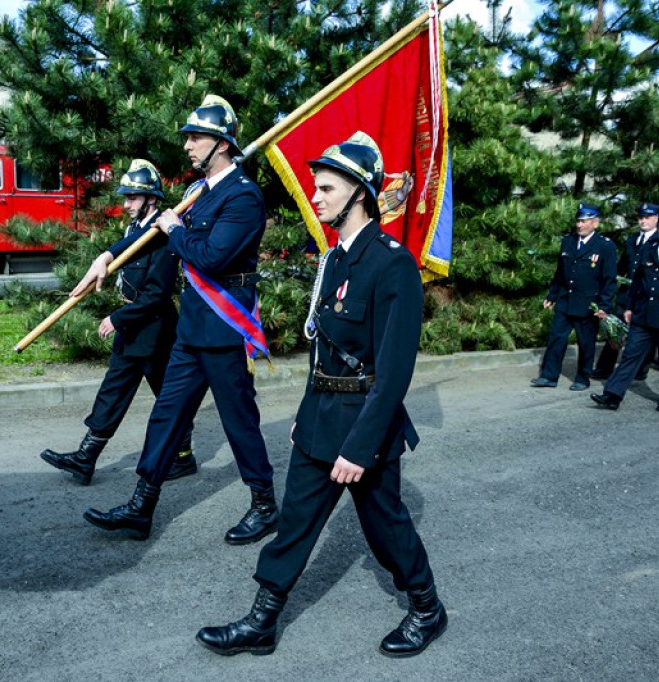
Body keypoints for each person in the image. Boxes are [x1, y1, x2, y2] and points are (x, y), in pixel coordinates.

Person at [196, 132, 445, 658]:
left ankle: (426, 607)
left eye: (327, 188)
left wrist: (360, 446)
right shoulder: (333, 259)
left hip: (364, 425)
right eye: (317, 187)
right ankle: (262, 621)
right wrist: (305, 413)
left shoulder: (392, 263)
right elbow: (322, 350)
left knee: (385, 528)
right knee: (295, 521)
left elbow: (393, 372)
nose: (316, 197)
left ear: (360, 194)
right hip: (320, 417)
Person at [71, 95, 277, 544]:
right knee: (166, 415)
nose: (187, 145)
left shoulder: (243, 196)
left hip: (224, 327)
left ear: (222, 144)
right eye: (188, 137)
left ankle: (264, 504)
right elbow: (153, 237)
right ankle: (141, 506)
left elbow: (212, 257)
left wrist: (176, 231)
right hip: (192, 329)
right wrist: (107, 256)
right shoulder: (196, 193)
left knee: (239, 421)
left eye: (196, 137)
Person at [39, 160, 197, 485]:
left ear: (151, 198)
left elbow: (157, 294)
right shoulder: (134, 232)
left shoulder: (164, 236)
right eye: (125, 198)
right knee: (113, 391)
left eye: (132, 198)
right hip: (133, 327)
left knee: (169, 397)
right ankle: (86, 458)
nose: (125, 205)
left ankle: (183, 457)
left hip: (156, 330)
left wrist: (117, 318)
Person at [591, 206, 659, 411]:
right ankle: (612, 395)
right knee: (630, 355)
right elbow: (638, 281)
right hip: (643, 312)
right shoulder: (650, 247)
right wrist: (629, 306)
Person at [530, 203, 618, 391]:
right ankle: (549, 376)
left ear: (595, 223)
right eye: (578, 221)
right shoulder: (568, 241)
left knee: (586, 342)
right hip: (565, 299)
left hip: (588, 303)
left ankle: (582, 378)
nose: (579, 225)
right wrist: (552, 294)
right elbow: (560, 272)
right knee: (556, 338)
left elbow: (609, 279)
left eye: (584, 221)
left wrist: (605, 305)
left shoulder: (605, 246)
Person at [592, 202, 659, 380]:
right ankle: (604, 368)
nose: (643, 221)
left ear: (656, 219)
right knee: (614, 328)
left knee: (646, 331)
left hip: (646, 293)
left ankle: (641, 369)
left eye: (647, 217)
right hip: (626, 292)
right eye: (641, 217)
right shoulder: (633, 239)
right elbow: (622, 266)